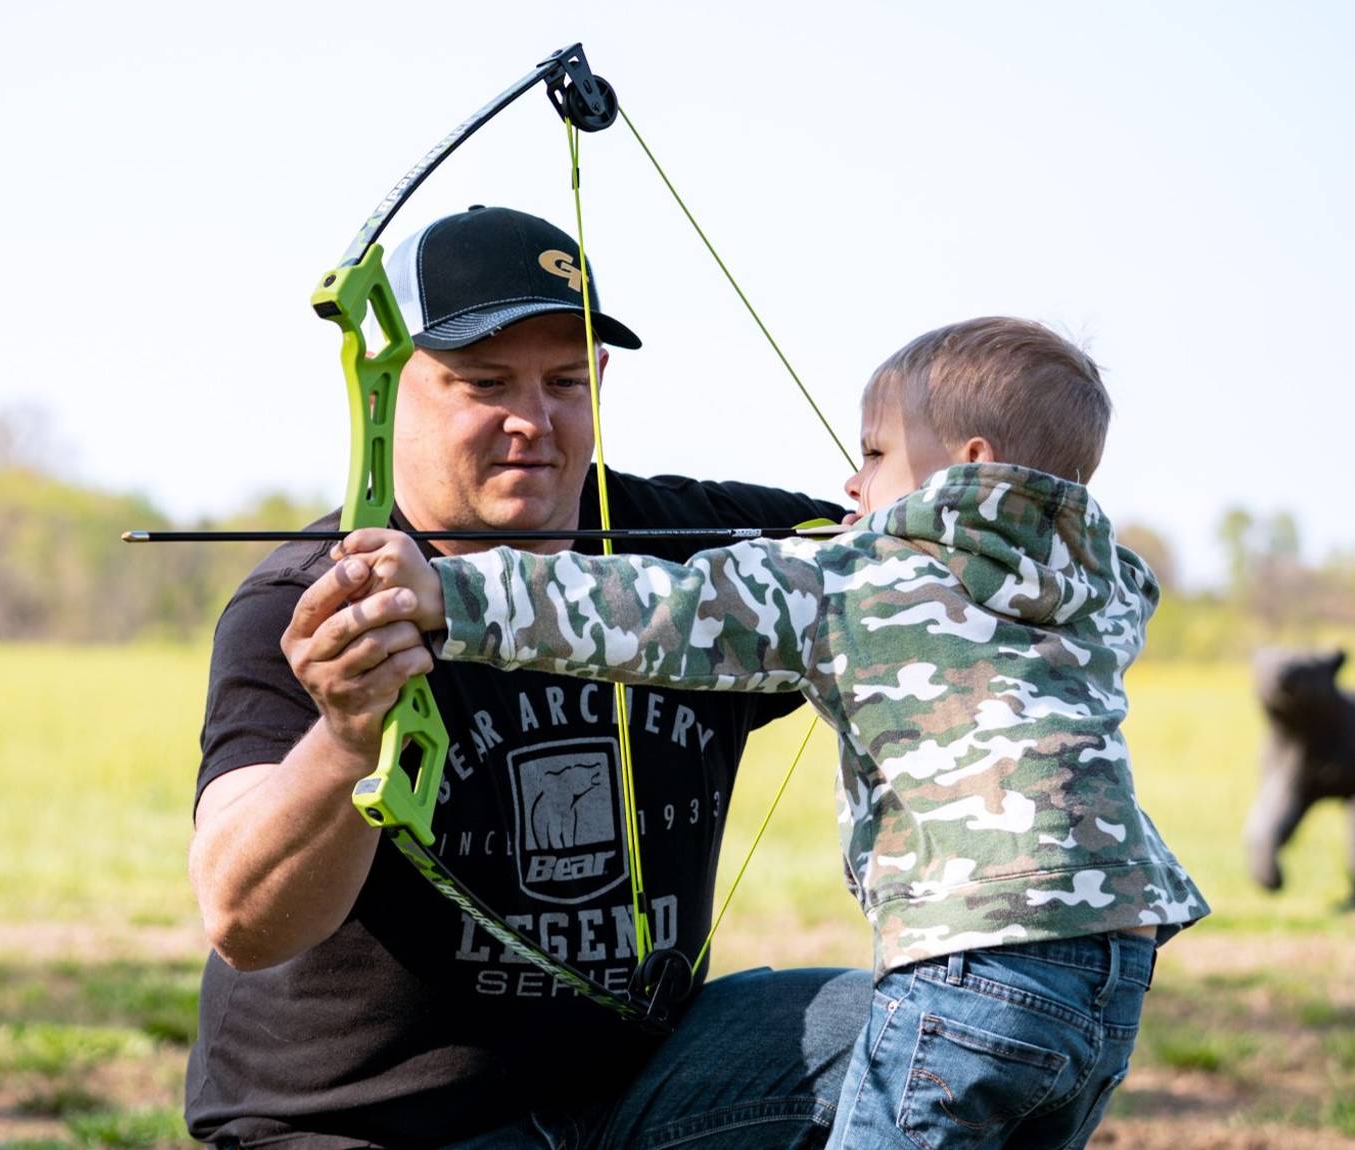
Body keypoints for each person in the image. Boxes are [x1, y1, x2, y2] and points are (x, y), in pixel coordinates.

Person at [340, 316, 1212, 1148]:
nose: (851, 485)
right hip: (1115, 971)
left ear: (968, 469)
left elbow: (663, 613)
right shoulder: (1102, 591)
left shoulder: (860, 579)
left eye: (873, 455)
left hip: (971, 965)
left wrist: (446, 594)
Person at [186, 205, 872, 1148]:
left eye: (564, 380)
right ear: (388, 393)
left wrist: (941, 518)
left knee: (931, 1031)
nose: (533, 422)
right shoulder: (309, 606)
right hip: (371, 1128)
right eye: (483, 383)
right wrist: (348, 734)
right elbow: (244, 918)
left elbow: (901, 569)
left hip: (634, 1100)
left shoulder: (685, 550)